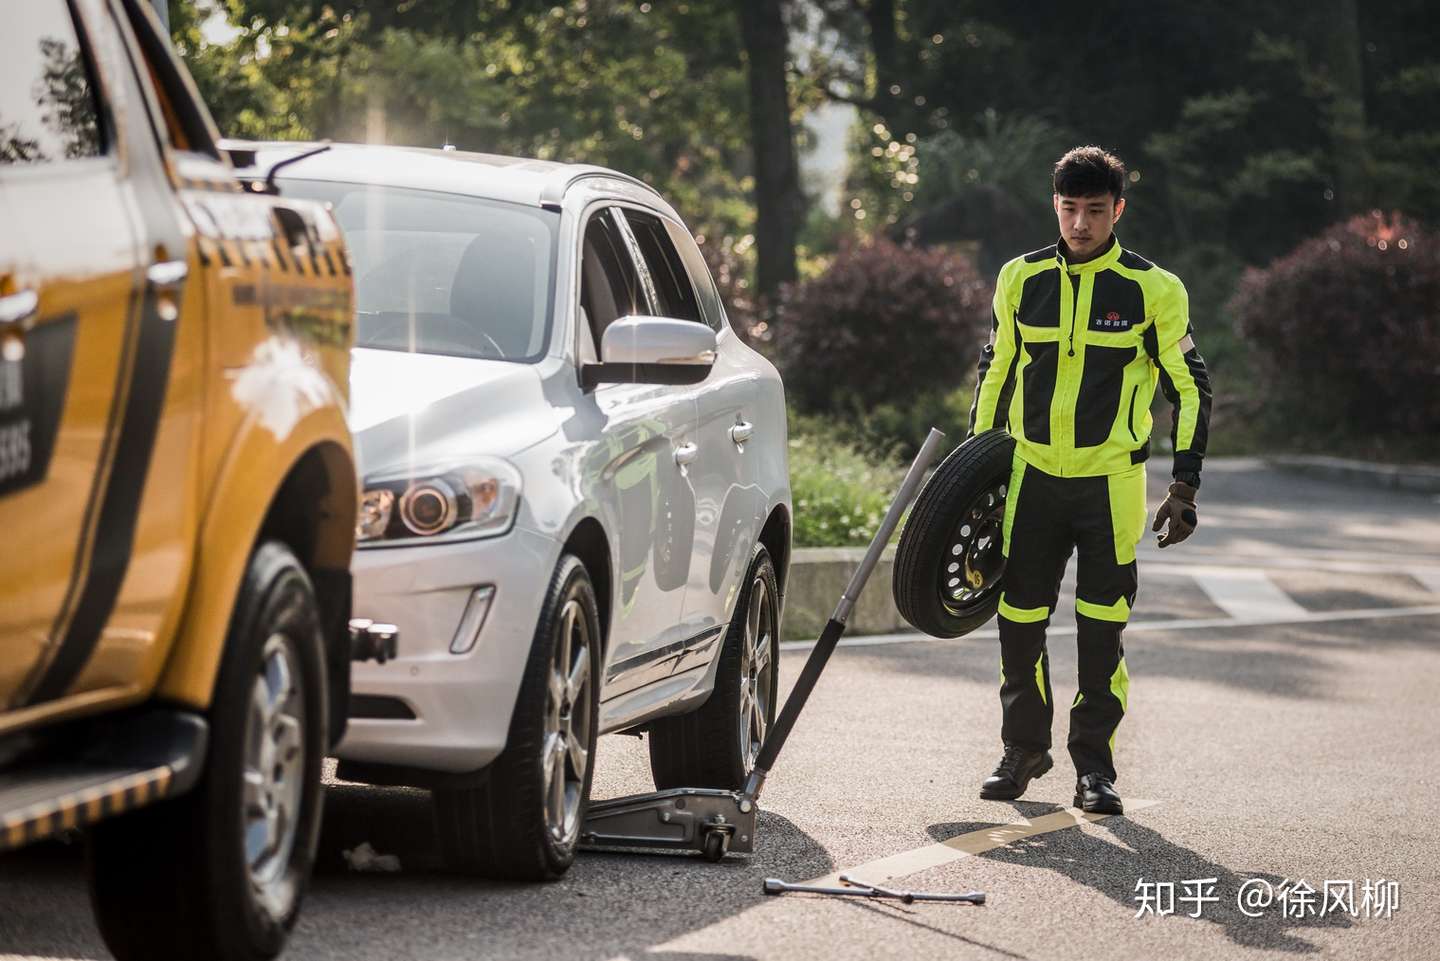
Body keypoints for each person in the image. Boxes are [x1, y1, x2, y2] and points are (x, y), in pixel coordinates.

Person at [966, 145, 1212, 814]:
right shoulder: (1018, 279)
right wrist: (977, 472)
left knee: (1102, 626)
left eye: (1095, 211)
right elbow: (996, 374)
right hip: (1031, 477)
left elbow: (1189, 388)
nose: (1080, 223)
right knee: (1018, 619)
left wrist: (1184, 486)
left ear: (1118, 210)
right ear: (1055, 205)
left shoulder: (1153, 289)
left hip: (1110, 485)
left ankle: (1094, 768)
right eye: (1070, 208)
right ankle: (1022, 749)